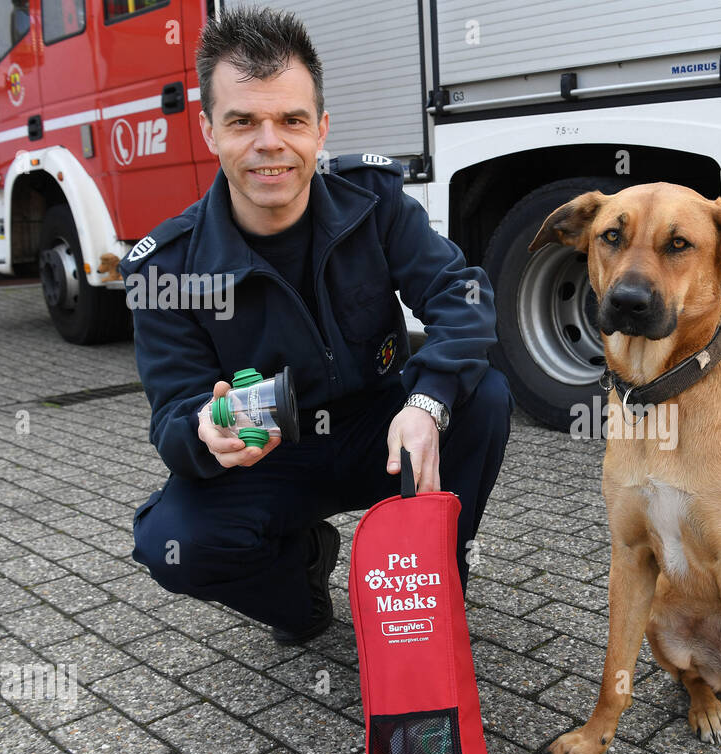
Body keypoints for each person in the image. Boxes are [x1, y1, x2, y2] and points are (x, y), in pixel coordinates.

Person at [123, 7, 511, 645]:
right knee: (172, 541)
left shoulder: (374, 201)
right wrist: (206, 430)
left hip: (382, 436)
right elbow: (172, 420)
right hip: (270, 453)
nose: (269, 142)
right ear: (208, 131)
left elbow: (461, 295)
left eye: (291, 120)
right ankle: (302, 582)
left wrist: (428, 402)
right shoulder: (169, 267)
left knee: (484, 396)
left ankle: (434, 574)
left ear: (321, 128)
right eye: (243, 121)